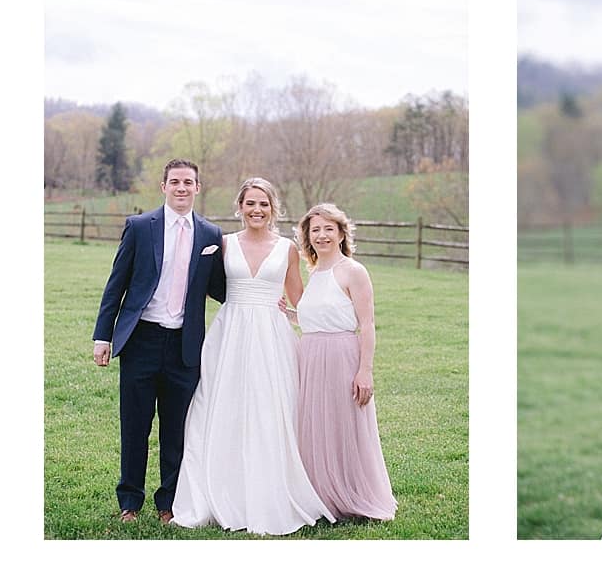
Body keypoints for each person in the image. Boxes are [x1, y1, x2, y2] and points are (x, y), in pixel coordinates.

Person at [171, 178, 329, 534]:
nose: (257, 210)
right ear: (239, 207)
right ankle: (219, 491)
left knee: (271, 409)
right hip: (231, 334)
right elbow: (207, 288)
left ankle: (269, 491)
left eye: (264, 204)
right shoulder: (223, 244)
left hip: (272, 336)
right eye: (250, 204)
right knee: (222, 406)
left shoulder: (287, 248)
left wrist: (325, 323)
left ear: (273, 208)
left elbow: (300, 298)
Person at [92, 158, 228, 521]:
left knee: (177, 430)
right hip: (141, 340)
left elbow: (220, 288)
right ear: (163, 186)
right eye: (175, 182)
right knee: (135, 426)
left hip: (185, 345)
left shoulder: (211, 235)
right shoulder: (140, 227)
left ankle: (169, 503)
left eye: (188, 182)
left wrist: (258, 290)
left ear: (198, 188)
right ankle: (130, 503)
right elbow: (115, 285)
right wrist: (102, 336)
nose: (181, 188)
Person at [293, 203, 396, 521]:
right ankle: (320, 494)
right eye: (316, 230)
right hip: (309, 356)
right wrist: (290, 313)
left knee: (342, 426)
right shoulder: (314, 273)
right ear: (308, 237)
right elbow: (321, 315)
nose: (322, 235)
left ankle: (352, 494)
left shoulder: (353, 270)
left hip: (342, 356)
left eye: (328, 229)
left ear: (340, 233)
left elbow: (366, 323)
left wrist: (365, 370)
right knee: (314, 425)